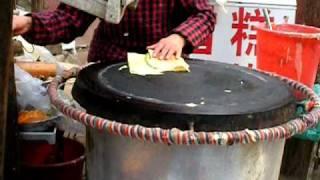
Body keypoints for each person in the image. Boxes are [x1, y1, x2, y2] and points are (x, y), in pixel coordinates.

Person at [13, 0, 216, 62]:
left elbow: (205, 14)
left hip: (161, 60)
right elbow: (69, 19)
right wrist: (28, 24)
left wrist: (178, 38)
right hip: (110, 59)